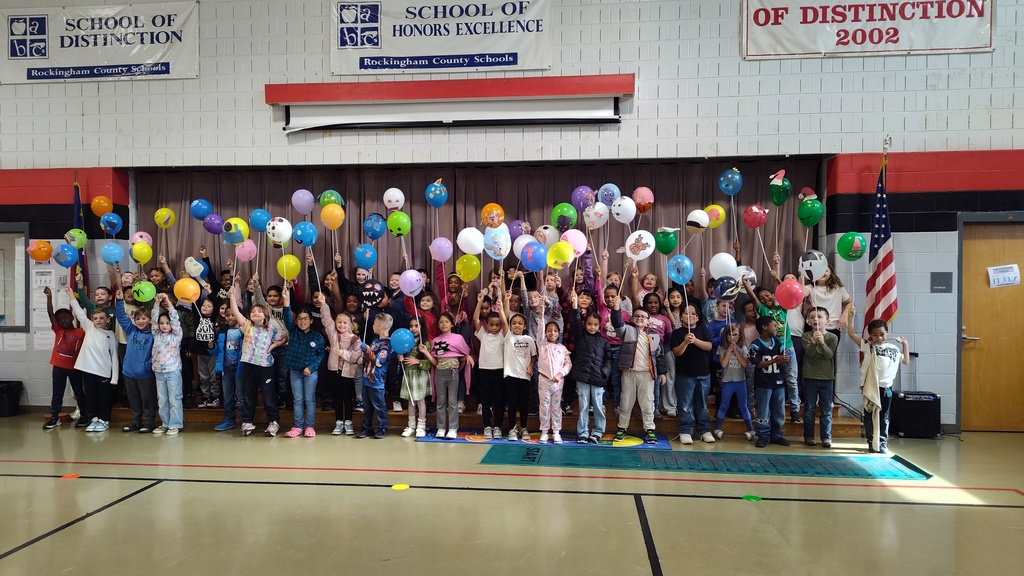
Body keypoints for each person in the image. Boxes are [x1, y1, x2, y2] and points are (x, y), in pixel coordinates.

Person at [846, 308, 909, 453]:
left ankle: (882, 443)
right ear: (870, 336)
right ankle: (871, 441)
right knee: (869, 415)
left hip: (886, 388)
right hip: (871, 387)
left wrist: (905, 344)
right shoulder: (868, 346)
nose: (879, 338)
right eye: (875, 335)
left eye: (882, 334)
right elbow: (851, 333)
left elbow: (905, 361)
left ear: (886, 332)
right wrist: (851, 317)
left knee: (884, 416)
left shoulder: (893, 348)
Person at [228, 276, 285, 437]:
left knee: (268, 396)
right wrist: (232, 295)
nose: (255, 314)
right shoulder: (247, 326)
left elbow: (284, 338)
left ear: (265, 315)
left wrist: (275, 345)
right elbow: (236, 311)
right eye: (253, 312)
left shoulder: (271, 328)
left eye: (259, 312)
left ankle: (273, 422)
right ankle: (246, 422)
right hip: (249, 365)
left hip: (266, 366)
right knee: (248, 395)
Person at [742, 277, 800, 424]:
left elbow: (788, 293)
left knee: (791, 380)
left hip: (788, 348)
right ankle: (764, 414)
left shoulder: (783, 308)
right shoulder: (764, 311)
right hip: (773, 351)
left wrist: (776, 278)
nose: (765, 298)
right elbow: (753, 298)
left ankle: (794, 410)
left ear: (774, 296)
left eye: (768, 295)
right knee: (775, 382)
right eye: (762, 298)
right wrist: (747, 286)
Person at [611, 291, 666, 445]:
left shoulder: (654, 336)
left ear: (649, 321)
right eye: (637, 316)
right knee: (626, 402)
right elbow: (617, 323)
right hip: (629, 373)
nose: (640, 319)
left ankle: (650, 430)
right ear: (632, 318)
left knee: (648, 403)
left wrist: (662, 372)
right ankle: (622, 428)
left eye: (643, 317)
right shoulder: (627, 330)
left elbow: (659, 356)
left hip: (647, 374)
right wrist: (616, 308)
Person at [65, 285, 119, 433]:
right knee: (91, 397)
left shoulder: (111, 336)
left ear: (108, 319)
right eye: (95, 318)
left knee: (104, 398)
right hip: (88, 370)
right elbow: (79, 314)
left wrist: (114, 378)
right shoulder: (89, 328)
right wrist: (71, 296)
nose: (98, 320)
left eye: (102, 318)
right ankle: (93, 419)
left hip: (103, 373)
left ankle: (104, 420)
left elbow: (114, 358)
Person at [281, 282, 325, 438]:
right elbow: (287, 316)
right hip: (295, 372)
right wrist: (286, 300)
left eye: (305, 319)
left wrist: (311, 368)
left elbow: (321, 355)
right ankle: (298, 426)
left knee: (309, 399)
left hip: (310, 373)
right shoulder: (293, 331)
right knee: (298, 399)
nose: (302, 322)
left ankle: (309, 426)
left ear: (311, 321)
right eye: (299, 319)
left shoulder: (317, 337)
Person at [568, 289, 611, 443]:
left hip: (598, 379)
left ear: (600, 326)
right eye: (589, 324)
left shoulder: (604, 342)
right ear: (585, 325)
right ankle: (583, 433)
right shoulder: (580, 336)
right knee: (583, 407)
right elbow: (574, 321)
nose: (592, 327)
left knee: (598, 408)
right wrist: (574, 306)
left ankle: (597, 432)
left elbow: (608, 359)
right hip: (582, 378)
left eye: (595, 325)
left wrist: (604, 372)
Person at [421, 313, 473, 439]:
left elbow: (463, 354)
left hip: (453, 371)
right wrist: (426, 352)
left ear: (452, 324)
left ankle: (453, 428)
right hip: (440, 372)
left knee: (452, 401)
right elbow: (435, 361)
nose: (444, 324)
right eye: (441, 322)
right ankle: (441, 427)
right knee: (441, 401)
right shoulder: (435, 340)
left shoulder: (458, 338)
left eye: (446, 321)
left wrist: (467, 357)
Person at [42, 287, 85, 430]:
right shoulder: (59, 330)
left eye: (65, 318)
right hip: (59, 367)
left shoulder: (81, 333)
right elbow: (50, 313)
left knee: (79, 392)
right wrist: (49, 297)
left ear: (72, 317)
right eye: (59, 320)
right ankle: (55, 417)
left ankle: (84, 415)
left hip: (75, 368)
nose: (62, 321)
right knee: (57, 393)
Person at [670, 304, 713, 445]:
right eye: (687, 313)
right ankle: (685, 430)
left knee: (702, 404)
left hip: (703, 374)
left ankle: (704, 430)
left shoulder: (702, 330)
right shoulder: (677, 333)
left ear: (698, 317)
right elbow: (677, 352)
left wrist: (695, 341)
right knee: (685, 405)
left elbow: (709, 346)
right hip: (685, 375)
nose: (690, 316)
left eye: (693, 314)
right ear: (681, 317)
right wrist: (685, 342)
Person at [114, 288, 156, 433]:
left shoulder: (153, 335)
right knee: (134, 400)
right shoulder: (131, 330)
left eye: (144, 318)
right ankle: (135, 421)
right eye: (138, 319)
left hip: (145, 374)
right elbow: (121, 317)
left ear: (150, 320)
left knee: (147, 399)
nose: (140, 321)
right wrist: (119, 301)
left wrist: (147, 366)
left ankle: (149, 422)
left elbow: (155, 354)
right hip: (129, 372)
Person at [320, 301, 364, 436]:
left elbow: (356, 356)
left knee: (347, 398)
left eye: (345, 323)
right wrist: (323, 304)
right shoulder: (333, 335)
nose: (341, 325)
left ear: (350, 325)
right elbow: (326, 320)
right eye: (339, 322)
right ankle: (339, 422)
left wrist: (343, 353)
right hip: (334, 371)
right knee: (337, 398)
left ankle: (349, 422)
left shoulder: (356, 340)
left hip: (348, 373)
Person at [749, 316, 791, 448]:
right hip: (763, 384)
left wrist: (784, 360)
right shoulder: (756, 344)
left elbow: (782, 364)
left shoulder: (778, 342)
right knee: (763, 411)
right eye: (774, 325)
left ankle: (776, 434)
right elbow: (758, 364)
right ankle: (763, 435)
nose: (776, 328)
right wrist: (775, 359)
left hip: (778, 382)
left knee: (778, 410)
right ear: (764, 327)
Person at [501, 290, 536, 441]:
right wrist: (506, 302)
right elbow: (503, 319)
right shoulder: (508, 337)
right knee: (512, 404)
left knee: (523, 404)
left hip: (525, 376)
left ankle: (523, 427)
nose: (516, 325)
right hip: (511, 375)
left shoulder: (529, 339)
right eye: (514, 323)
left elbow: (533, 356)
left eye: (519, 323)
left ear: (525, 326)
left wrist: (531, 366)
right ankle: (512, 429)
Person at [802, 307, 839, 447]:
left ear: (827, 321)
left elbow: (829, 355)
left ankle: (826, 437)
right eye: (812, 317)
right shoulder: (806, 336)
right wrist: (813, 342)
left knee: (826, 409)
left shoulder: (832, 337)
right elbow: (810, 354)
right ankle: (809, 436)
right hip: (810, 376)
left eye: (819, 316)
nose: (815, 319)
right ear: (808, 321)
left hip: (827, 378)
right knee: (810, 408)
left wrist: (822, 343)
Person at [536, 301, 572, 444]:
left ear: (559, 333)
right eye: (549, 330)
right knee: (544, 407)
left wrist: (560, 374)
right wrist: (541, 314)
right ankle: (544, 432)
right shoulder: (542, 345)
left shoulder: (562, 348)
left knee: (556, 408)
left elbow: (568, 364)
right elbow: (540, 329)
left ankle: (556, 431)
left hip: (558, 383)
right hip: (544, 381)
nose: (552, 333)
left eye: (555, 331)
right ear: (546, 333)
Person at [713, 323, 754, 441]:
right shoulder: (721, 348)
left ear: (740, 335)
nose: (732, 337)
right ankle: (717, 429)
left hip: (740, 381)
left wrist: (735, 351)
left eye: (735, 335)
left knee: (743, 405)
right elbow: (724, 364)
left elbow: (745, 364)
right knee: (724, 405)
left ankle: (750, 430)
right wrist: (729, 351)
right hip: (727, 381)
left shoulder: (743, 348)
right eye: (730, 335)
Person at [474, 291, 507, 440]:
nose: (494, 327)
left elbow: (506, 322)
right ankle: (487, 426)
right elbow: (475, 318)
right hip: (484, 372)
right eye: (491, 325)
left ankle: (498, 427)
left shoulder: (502, 336)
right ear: (486, 325)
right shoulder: (483, 335)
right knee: (485, 402)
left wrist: (501, 308)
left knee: (499, 402)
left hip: (499, 372)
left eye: (497, 325)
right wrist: (480, 302)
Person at [150, 293, 184, 435]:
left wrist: (168, 303)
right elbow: (153, 319)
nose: (164, 325)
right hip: (159, 371)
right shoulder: (156, 334)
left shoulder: (176, 335)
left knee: (174, 399)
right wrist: (157, 303)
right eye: (162, 323)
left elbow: (175, 317)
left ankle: (174, 424)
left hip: (173, 371)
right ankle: (165, 423)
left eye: (167, 323)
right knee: (162, 400)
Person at [357, 313, 393, 439]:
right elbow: (369, 357)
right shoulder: (375, 341)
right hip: (366, 378)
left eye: (373, 323)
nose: (372, 325)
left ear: (380, 325)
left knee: (379, 406)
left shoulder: (387, 344)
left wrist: (366, 349)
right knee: (366, 406)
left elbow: (378, 361)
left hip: (377, 381)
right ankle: (367, 428)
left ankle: (383, 428)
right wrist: (363, 358)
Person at [213, 305, 243, 432]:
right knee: (228, 396)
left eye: (233, 314)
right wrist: (210, 346)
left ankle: (245, 420)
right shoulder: (222, 331)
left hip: (239, 368)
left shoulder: (243, 331)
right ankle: (229, 420)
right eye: (227, 315)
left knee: (241, 396)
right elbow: (216, 351)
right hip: (226, 368)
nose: (230, 317)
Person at [399, 317, 431, 438]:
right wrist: (401, 359)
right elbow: (404, 358)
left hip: (419, 375)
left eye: (416, 326)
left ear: (422, 327)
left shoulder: (425, 343)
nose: (413, 328)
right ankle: (411, 425)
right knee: (411, 402)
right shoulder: (406, 342)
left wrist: (418, 361)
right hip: (408, 375)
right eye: (411, 326)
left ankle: (421, 425)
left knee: (420, 401)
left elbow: (428, 364)